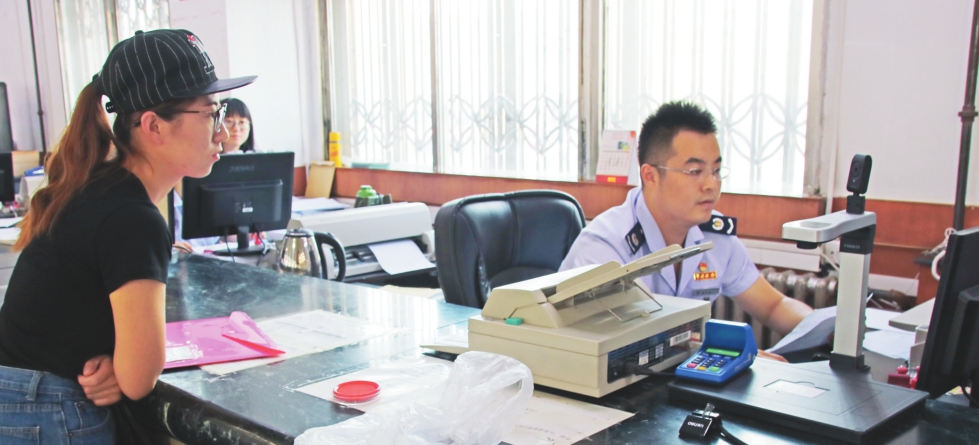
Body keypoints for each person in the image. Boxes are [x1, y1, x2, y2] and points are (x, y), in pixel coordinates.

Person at [0, 29, 255, 443]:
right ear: (154, 126)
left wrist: (116, 362)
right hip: (45, 409)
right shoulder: (132, 218)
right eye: (211, 114)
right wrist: (124, 368)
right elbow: (138, 380)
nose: (223, 132)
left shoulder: (101, 188)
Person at [560, 101, 813, 360]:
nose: (711, 185)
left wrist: (823, 329)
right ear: (650, 176)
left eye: (716, 170)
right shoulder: (605, 246)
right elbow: (613, 347)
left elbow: (774, 306)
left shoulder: (716, 236)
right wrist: (733, 353)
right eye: (695, 171)